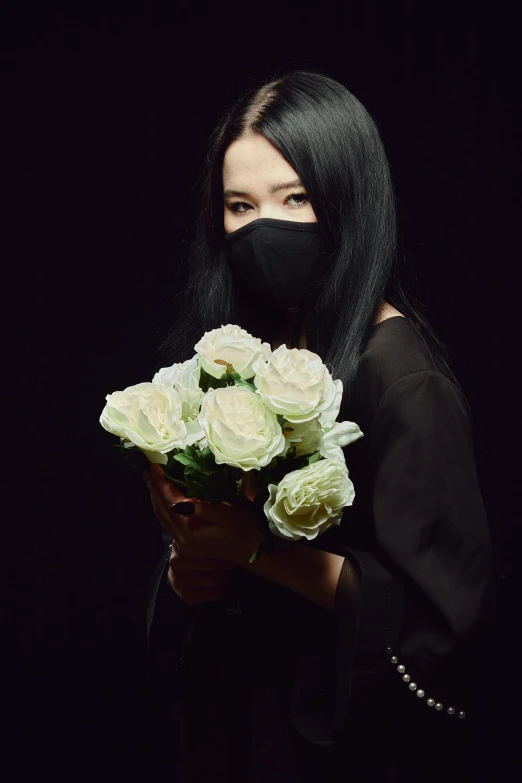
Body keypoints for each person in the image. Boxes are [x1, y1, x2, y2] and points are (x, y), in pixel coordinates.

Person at [143, 70, 495, 782]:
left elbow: (439, 629)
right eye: (239, 204)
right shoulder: (259, 350)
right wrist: (192, 561)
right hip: (241, 732)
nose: (261, 225)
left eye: (294, 197)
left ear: (347, 202)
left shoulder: (402, 377)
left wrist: (257, 551)